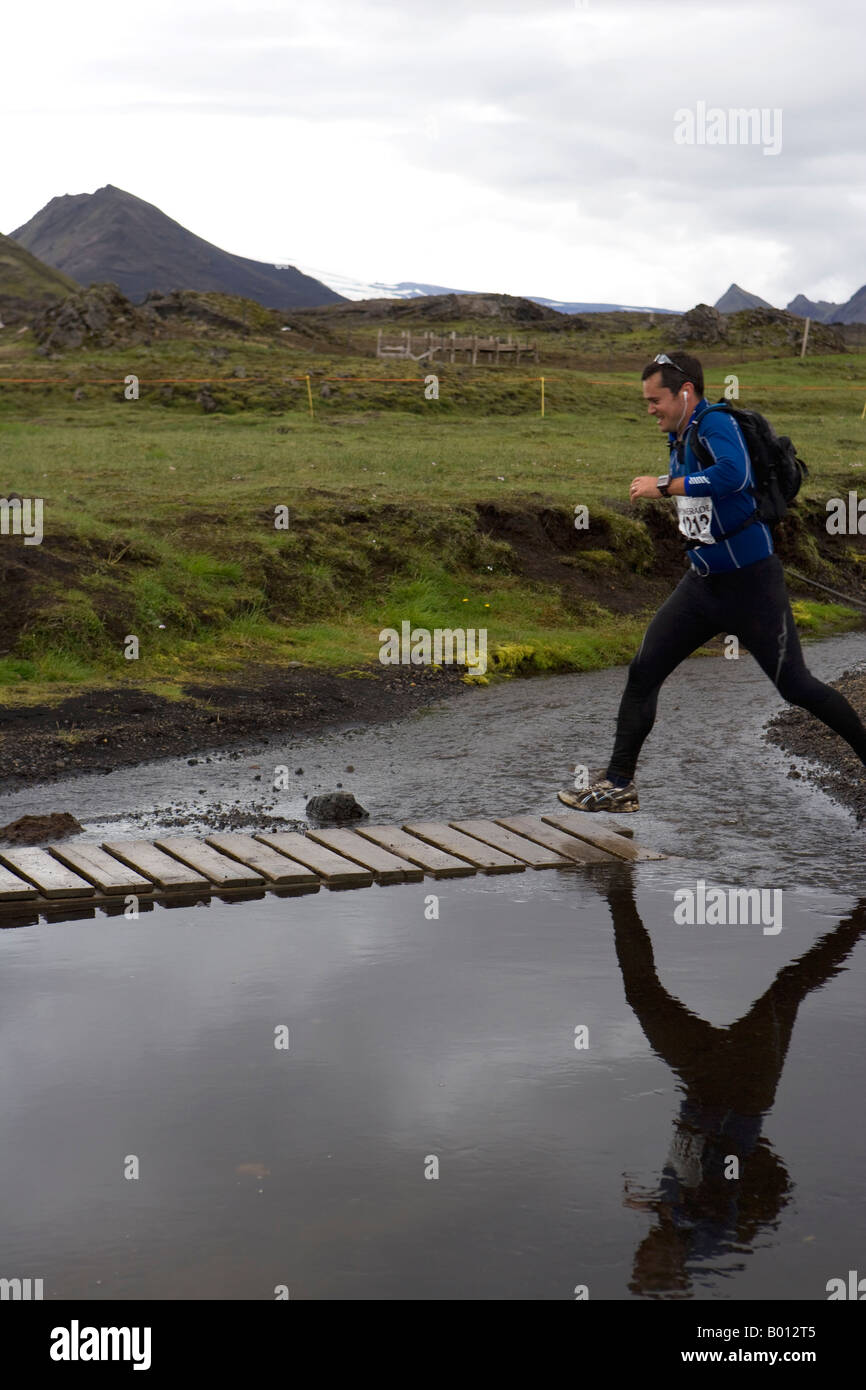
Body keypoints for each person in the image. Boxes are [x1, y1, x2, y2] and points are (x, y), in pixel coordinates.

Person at [559, 351, 866, 813]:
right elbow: (705, 494)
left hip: (751, 586)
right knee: (643, 672)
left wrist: (663, 486)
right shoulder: (680, 437)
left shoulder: (715, 423)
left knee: (796, 687)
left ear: (685, 392)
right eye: (645, 401)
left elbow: (733, 475)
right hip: (702, 586)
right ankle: (619, 783)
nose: (649, 409)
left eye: (654, 399)